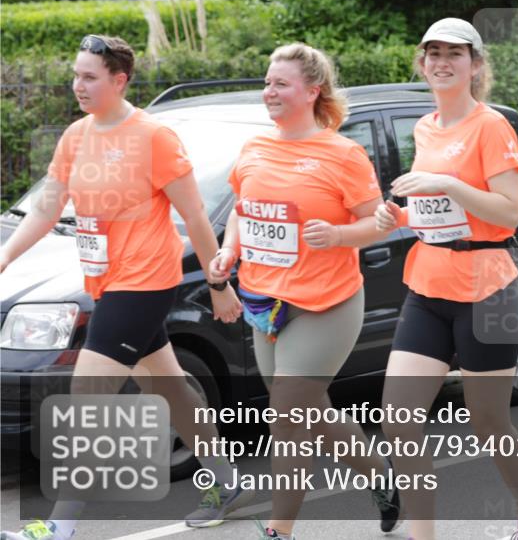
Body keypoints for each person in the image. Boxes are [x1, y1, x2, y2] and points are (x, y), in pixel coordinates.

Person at [0, 35, 246, 540]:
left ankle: (59, 528)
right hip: (106, 282)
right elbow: (47, 208)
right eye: (75, 74)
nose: (78, 85)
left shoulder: (153, 137)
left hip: (146, 280)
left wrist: (219, 282)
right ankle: (225, 477)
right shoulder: (76, 136)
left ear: (119, 80)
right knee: (171, 386)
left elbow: (196, 215)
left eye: (89, 77)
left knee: (86, 395)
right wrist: (3, 257)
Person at [207, 43, 400, 540]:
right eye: (268, 82)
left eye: (281, 84)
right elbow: (241, 214)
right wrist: (229, 252)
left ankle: (279, 531)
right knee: (308, 410)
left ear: (312, 91)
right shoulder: (255, 148)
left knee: (286, 416)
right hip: (264, 302)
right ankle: (379, 476)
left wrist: (337, 236)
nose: (269, 92)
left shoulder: (343, 153)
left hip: (326, 302)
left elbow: (377, 225)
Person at [374, 19, 518, 540]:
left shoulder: (491, 126)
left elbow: (509, 214)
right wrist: (400, 216)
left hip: (487, 292)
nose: (440, 61)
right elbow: (435, 212)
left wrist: (448, 183)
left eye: (454, 53)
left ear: (476, 65)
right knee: (399, 421)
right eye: (432, 52)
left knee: (490, 426)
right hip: (429, 288)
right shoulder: (426, 126)